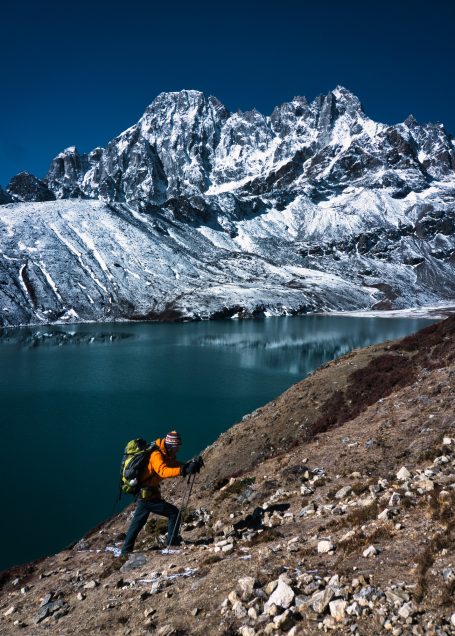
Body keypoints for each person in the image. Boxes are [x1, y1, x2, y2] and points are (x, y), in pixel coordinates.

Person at [121, 431, 202, 555]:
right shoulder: (156, 455)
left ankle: (125, 551)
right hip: (147, 496)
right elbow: (163, 471)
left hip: (146, 494)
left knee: (138, 523)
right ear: (171, 446)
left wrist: (188, 465)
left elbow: (172, 464)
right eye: (177, 447)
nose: (178, 450)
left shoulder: (165, 453)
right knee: (174, 513)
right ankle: (171, 543)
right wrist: (183, 470)